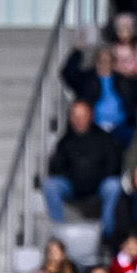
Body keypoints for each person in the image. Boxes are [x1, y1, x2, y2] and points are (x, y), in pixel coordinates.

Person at [43, 100, 124, 237]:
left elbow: (114, 165)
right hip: (72, 186)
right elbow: (55, 167)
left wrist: (93, 177)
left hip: (99, 186)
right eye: (75, 115)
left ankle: (107, 232)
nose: (78, 119)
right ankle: (59, 232)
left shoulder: (105, 139)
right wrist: (76, 177)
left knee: (114, 185)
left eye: (82, 115)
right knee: (50, 185)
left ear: (91, 116)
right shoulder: (65, 141)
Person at [62, 46, 137, 144]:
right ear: (96, 62)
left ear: (113, 63)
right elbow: (68, 74)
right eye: (101, 60)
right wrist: (77, 52)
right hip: (93, 128)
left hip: (120, 128)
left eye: (108, 60)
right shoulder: (86, 79)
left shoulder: (123, 80)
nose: (104, 63)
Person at [108, 13, 137, 80]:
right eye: (121, 32)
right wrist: (123, 71)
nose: (125, 36)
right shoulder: (114, 48)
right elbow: (112, 64)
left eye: (127, 32)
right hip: (120, 79)